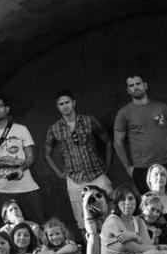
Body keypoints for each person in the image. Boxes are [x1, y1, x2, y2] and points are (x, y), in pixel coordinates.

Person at [42, 89, 114, 231]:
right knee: (82, 220)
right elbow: (47, 154)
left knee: (110, 213)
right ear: (57, 106)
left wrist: (108, 164)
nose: (65, 106)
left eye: (67, 102)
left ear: (74, 103)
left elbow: (108, 141)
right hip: (74, 178)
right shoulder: (54, 129)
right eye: (61, 104)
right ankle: (90, 251)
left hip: (97, 174)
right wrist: (58, 172)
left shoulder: (89, 121)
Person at [113, 74, 167, 194]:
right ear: (128, 90)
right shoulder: (124, 113)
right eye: (131, 85)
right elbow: (117, 142)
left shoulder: (162, 107)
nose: (135, 87)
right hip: (143, 168)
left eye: (138, 84)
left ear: (145, 85)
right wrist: (127, 167)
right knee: (151, 206)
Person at [0, 96, 45, 221]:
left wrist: (21, 168)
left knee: (37, 222)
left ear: (7, 109)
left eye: (0, 106)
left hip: (27, 186)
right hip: (2, 189)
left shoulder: (21, 129)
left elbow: (30, 156)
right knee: (8, 227)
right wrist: (7, 162)